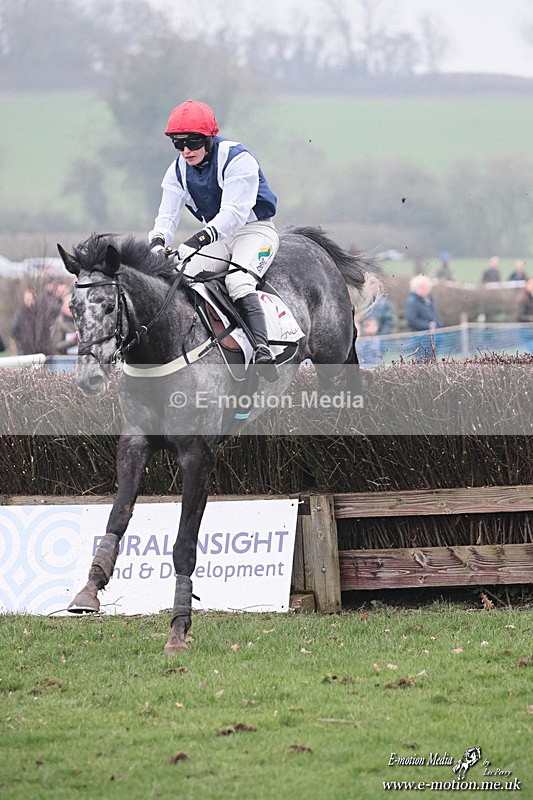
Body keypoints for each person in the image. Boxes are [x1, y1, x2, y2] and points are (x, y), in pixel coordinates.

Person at [148, 99, 279, 376]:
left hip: (254, 231)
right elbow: (167, 216)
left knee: (238, 280)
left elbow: (234, 213)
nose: (185, 150)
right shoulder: (177, 170)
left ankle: (262, 348)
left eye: (193, 142)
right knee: (179, 277)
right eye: (178, 143)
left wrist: (197, 240)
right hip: (217, 239)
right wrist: (158, 242)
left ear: (209, 138)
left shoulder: (237, 158)